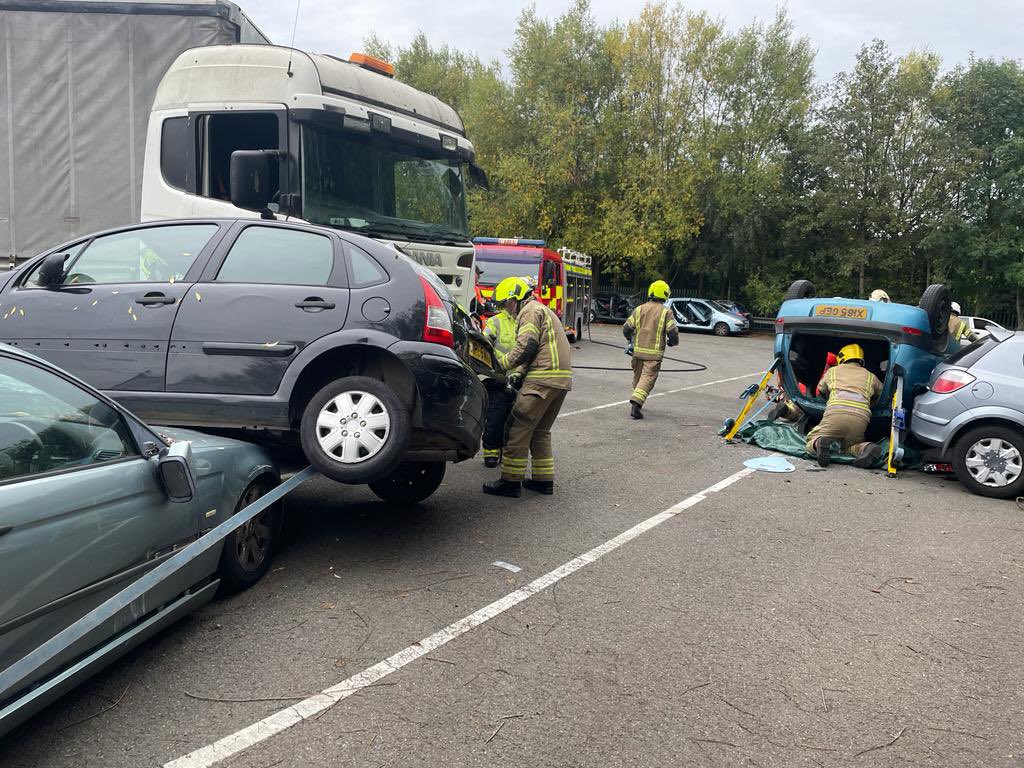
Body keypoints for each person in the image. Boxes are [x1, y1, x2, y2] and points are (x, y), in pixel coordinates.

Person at [483, 277, 573, 498]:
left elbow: (527, 345)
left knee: (517, 426)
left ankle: (510, 482)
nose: (507, 310)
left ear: (516, 298)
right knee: (540, 431)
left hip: (542, 378)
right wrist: (519, 373)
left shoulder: (529, 311)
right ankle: (543, 481)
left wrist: (500, 366)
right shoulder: (543, 310)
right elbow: (534, 351)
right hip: (560, 380)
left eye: (507, 303)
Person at [804, 343, 884, 468]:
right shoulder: (871, 376)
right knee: (849, 448)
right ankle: (867, 448)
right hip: (861, 417)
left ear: (842, 357)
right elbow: (882, 394)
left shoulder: (833, 371)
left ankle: (819, 442)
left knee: (811, 439)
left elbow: (820, 390)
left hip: (836, 413)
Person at [622, 280, 679, 419]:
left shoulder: (639, 309)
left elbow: (626, 329)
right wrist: (673, 342)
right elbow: (672, 332)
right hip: (653, 356)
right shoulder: (666, 312)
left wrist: (630, 341)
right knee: (647, 378)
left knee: (638, 378)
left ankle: (637, 398)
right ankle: (636, 404)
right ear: (665, 294)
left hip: (637, 352)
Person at [480, 288, 522, 468]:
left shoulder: (522, 322)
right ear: (507, 302)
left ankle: (507, 451)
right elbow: (484, 344)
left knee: (513, 420)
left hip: (517, 379)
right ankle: (491, 452)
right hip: (497, 378)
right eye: (512, 300)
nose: (515, 304)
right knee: (495, 418)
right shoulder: (495, 321)